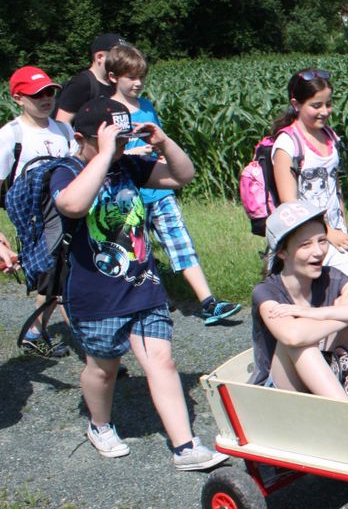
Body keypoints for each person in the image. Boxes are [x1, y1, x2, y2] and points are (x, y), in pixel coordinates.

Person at [50, 96, 226, 469]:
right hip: (96, 294)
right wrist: (103, 155)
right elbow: (73, 206)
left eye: (124, 139)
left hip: (142, 284)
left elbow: (182, 175)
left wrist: (163, 143)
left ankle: (185, 446)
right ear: (83, 137)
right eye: (111, 138)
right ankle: (99, 425)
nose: (121, 147)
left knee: (162, 361)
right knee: (104, 367)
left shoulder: (129, 165)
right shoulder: (65, 169)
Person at [105, 44, 241, 325]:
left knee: (180, 243)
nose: (138, 83)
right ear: (113, 77)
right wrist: (132, 153)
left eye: (141, 76)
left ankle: (208, 302)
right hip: (129, 194)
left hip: (159, 188)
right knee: (136, 250)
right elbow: (104, 152)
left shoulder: (146, 106)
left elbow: (160, 141)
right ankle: (145, 302)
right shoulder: (108, 112)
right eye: (131, 77)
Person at [250, 200, 348, 402]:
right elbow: (293, 336)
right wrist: (346, 314)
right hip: (281, 388)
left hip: (329, 371)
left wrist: (319, 313)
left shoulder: (331, 277)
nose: (319, 251)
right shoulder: (266, 291)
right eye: (305, 245)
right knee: (302, 342)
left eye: (322, 240)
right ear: (282, 252)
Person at [3, 65, 77, 357]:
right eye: (37, 95)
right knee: (57, 276)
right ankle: (93, 349)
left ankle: (35, 332)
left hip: (69, 213)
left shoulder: (63, 129)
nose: (46, 99)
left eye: (50, 92)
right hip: (36, 217)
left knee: (61, 278)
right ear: (19, 98)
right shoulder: (11, 135)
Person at [270, 69, 348, 283]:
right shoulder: (287, 144)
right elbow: (289, 203)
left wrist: (341, 227)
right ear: (296, 104)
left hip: (335, 234)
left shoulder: (331, 136)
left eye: (328, 104)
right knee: (310, 306)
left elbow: (335, 185)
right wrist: (327, 232)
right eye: (316, 105)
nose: (325, 111)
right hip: (303, 240)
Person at [54, 33, 126, 124]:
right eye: (118, 57)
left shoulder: (115, 82)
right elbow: (62, 121)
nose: (123, 61)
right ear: (100, 57)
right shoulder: (82, 83)